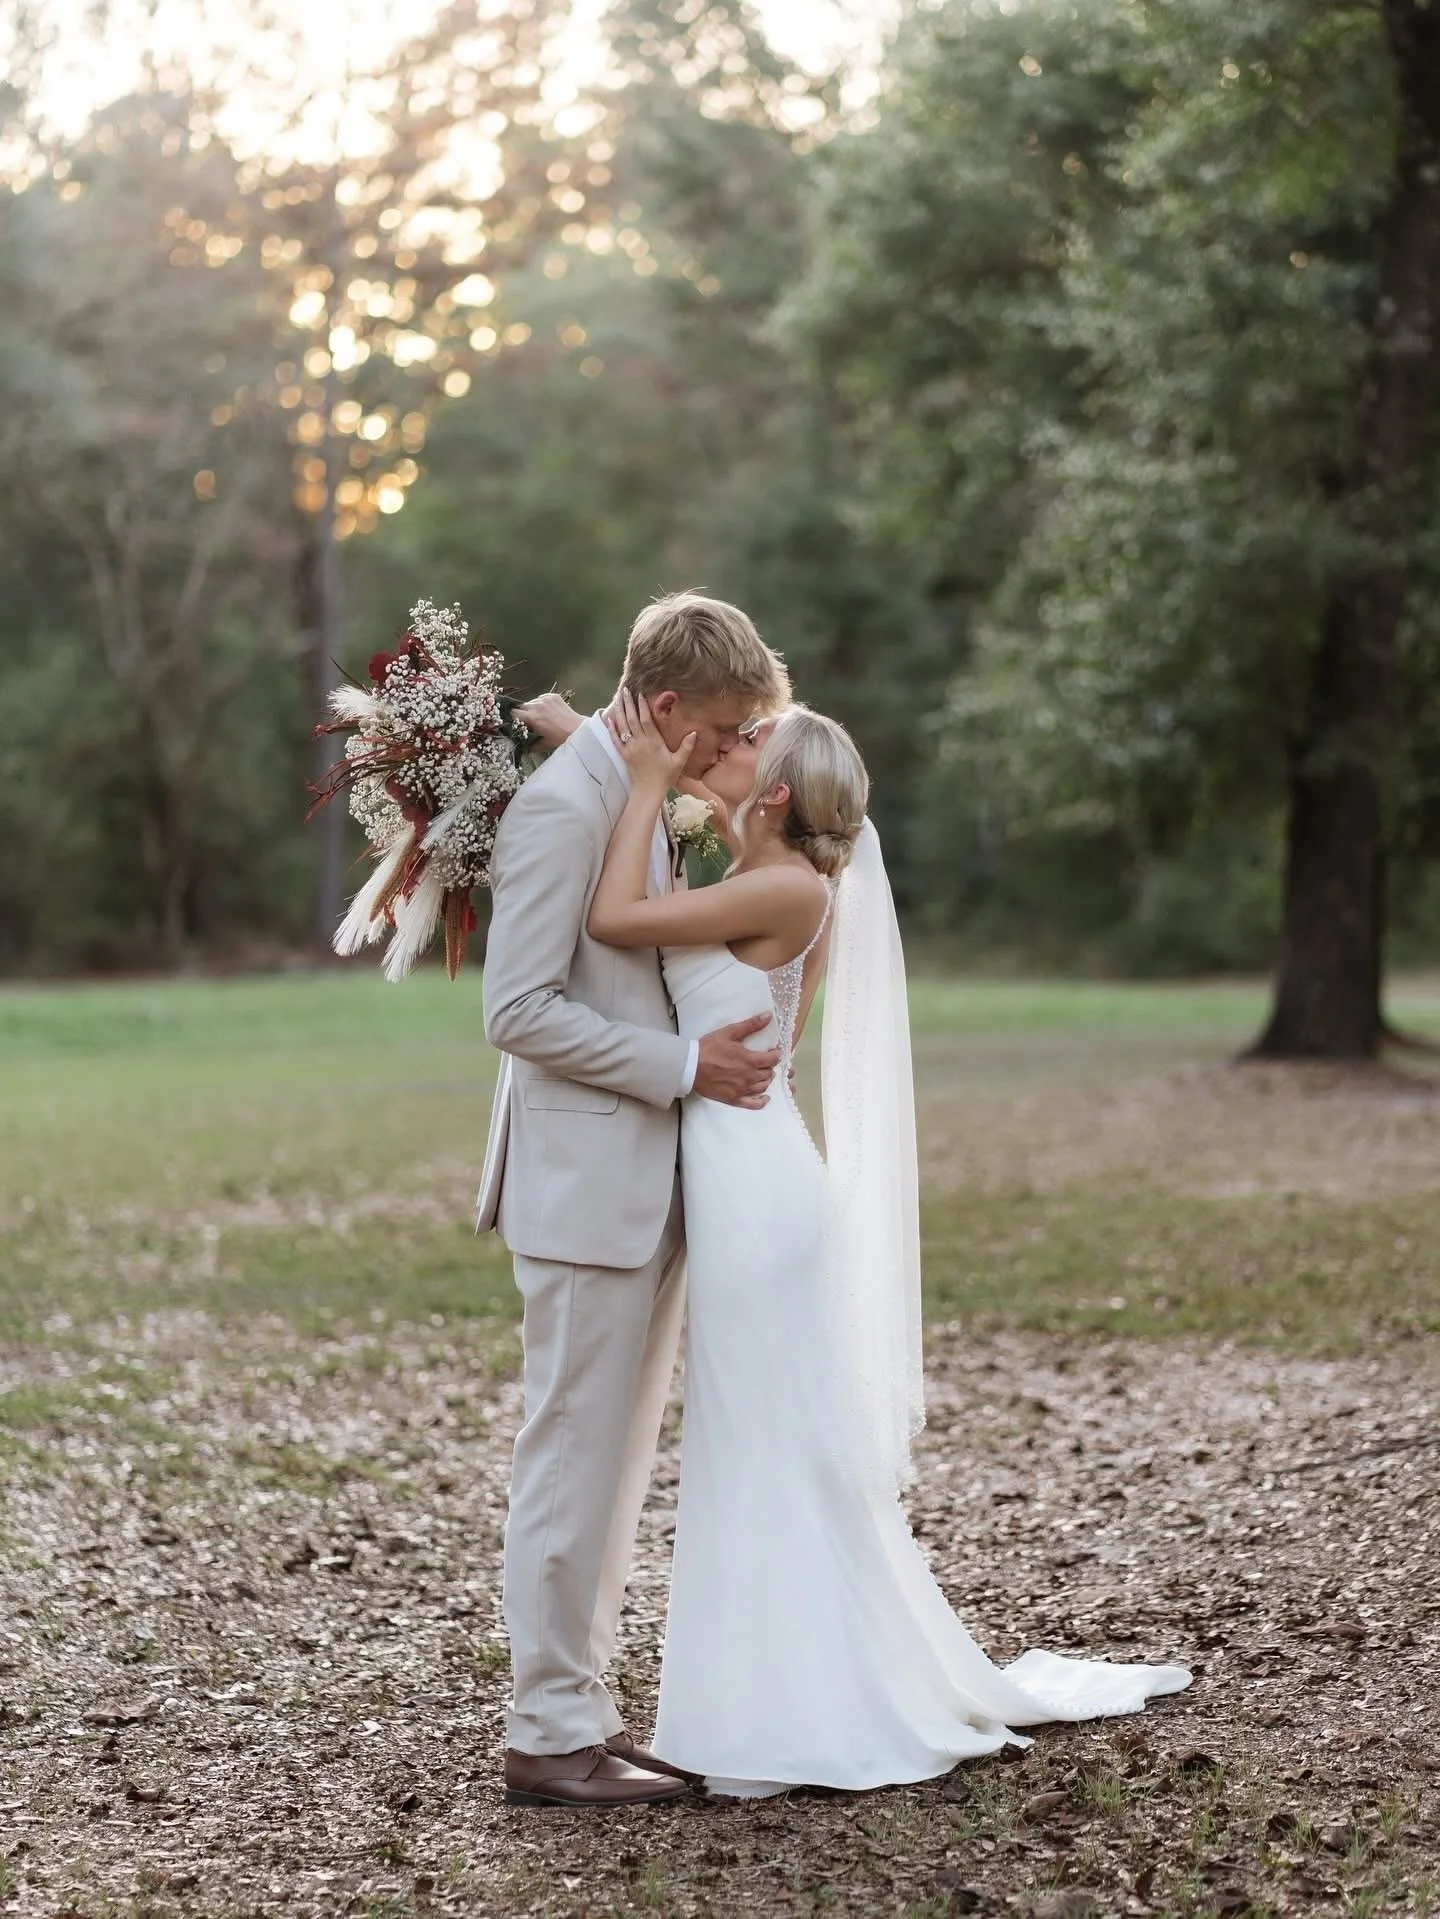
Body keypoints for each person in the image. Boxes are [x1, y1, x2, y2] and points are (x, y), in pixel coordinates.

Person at [521, 684, 1191, 1797]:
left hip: (755, 1187)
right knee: (761, 1436)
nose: (720, 750)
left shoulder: (781, 887)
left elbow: (616, 921)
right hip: (743, 1170)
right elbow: (674, 820)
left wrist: (637, 784)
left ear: (775, 792)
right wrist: (587, 745)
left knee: (762, 1439)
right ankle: (775, 1681)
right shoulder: (764, 869)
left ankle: (795, 1698)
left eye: (746, 745)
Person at [478, 592, 792, 1808]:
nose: (732, 751)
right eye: (723, 729)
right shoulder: (566, 808)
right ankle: (545, 1731)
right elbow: (517, 1010)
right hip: (583, 1187)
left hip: (644, 1182)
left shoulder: (630, 782)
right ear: (666, 711)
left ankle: (582, 1712)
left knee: (611, 1466)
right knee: (570, 1455)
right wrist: (683, 1066)